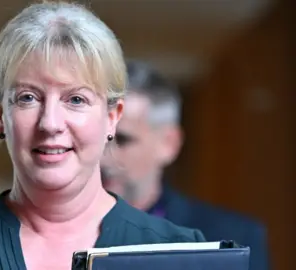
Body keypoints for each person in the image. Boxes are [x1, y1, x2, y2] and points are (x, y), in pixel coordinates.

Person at [0, 2, 206, 270]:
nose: (50, 123)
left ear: (111, 118)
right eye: (28, 97)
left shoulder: (180, 253)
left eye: (76, 99)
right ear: (1, 115)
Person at [101, 60, 269, 270]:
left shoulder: (230, 239)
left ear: (168, 144)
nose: (102, 156)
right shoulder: (56, 229)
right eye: (96, 137)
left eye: (122, 139)